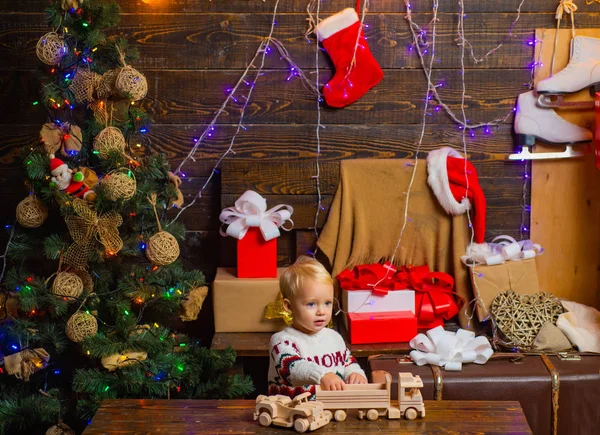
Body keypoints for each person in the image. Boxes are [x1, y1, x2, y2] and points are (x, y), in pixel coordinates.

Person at [268, 256, 367, 399]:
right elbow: (293, 368)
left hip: (330, 407)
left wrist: (354, 373)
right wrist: (322, 375)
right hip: (293, 408)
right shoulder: (282, 341)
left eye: (327, 303)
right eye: (311, 304)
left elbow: (347, 361)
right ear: (289, 306)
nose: (321, 311)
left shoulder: (334, 337)